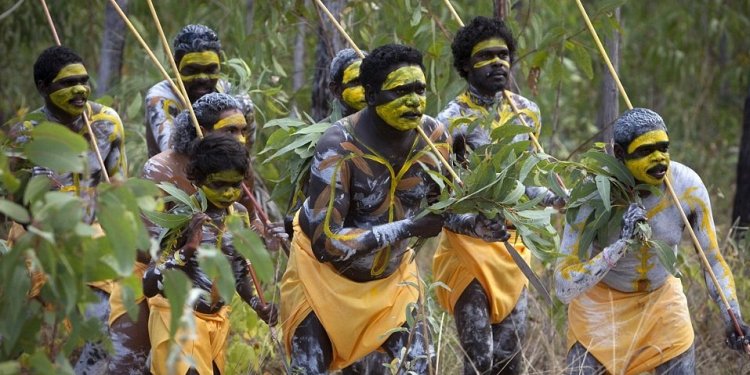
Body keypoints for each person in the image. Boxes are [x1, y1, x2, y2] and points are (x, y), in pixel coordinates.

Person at [279, 43, 509, 374]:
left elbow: (440, 210)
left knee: (418, 367)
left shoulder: (434, 137)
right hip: (322, 281)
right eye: (400, 91)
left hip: (393, 283)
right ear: (371, 95)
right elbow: (326, 242)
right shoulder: (338, 147)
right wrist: (407, 228)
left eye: (420, 89)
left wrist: (478, 225)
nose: (415, 100)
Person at [555, 108, 750, 374]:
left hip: (662, 303)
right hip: (601, 309)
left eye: (664, 148)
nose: (659, 158)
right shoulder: (591, 194)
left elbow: (712, 260)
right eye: (645, 151)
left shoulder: (687, 189)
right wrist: (619, 246)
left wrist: (732, 315)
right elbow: (564, 285)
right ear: (620, 155)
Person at [431, 16, 561, 374]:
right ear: (465, 65)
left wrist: (556, 199)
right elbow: (439, 199)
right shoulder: (449, 122)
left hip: (511, 246)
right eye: (485, 56)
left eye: (503, 55)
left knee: (509, 358)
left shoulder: (526, 113)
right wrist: (473, 225)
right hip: (467, 248)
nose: (498, 63)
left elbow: (522, 185)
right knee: (480, 360)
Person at [7, 46, 142, 373]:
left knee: (96, 327)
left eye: (84, 80)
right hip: (35, 239)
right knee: (25, 333)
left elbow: (118, 188)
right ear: (42, 87)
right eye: (68, 83)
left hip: (89, 235)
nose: (80, 89)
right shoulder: (25, 133)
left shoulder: (107, 125)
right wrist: (33, 189)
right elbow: (8, 200)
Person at [142, 133, 277, 375]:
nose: (228, 194)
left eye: (235, 185)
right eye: (218, 185)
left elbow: (238, 272)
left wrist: (257, 303)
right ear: (197, 180)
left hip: (214, 321)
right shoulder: (182, 216)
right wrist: (186, 251)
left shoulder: (239, 215)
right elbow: (149, 284)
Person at [144, 24, 255, 158]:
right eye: (192, 70)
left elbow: (245, 155)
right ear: (175, 65)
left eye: (210, 70)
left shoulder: (238, 99)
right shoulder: (161, 98)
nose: (202, 78)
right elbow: (172, 153)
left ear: (220, 64)